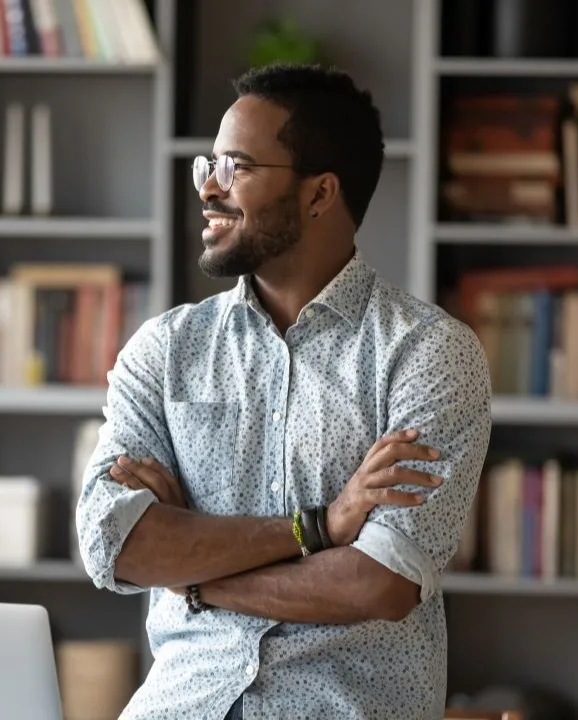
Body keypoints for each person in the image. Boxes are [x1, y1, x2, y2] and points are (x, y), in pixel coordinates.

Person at [74, 62, 492, 719]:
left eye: (236, 166)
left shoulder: (428, 354)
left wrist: (193, 576)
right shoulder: (164, 350)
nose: (210, 188)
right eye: (206, 166)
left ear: (319, 194)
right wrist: (318, 527)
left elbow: (377, 583)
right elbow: (112, 544)